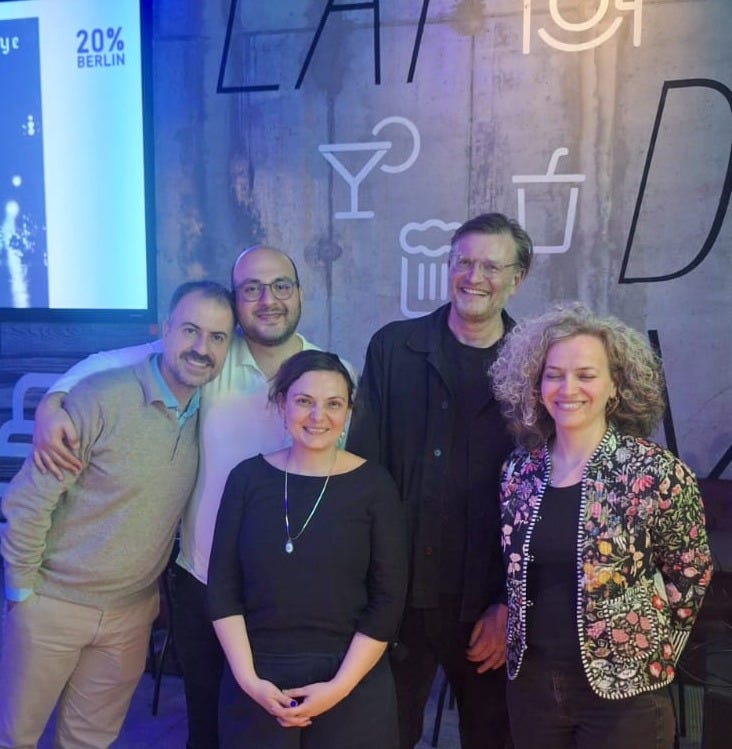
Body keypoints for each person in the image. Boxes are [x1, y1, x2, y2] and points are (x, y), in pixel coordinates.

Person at [29, 245, 352, 749]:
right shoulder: (211, 356)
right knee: (205, 722)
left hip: (289, 589)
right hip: (202, 579)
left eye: (280, 286)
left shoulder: (330, 374)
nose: (268, 300)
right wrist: (52, 403)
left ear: (300, 292)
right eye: (252, 289)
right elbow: (107, 364)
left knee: (276, 727)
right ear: (236, 300)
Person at [0, 281, 235, 749]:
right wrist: (22, 592)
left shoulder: (212, 415)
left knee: (89, 741)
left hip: (131, 615)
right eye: (190, 330)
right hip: (52, 602)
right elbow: (29, 501)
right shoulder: (102, 396)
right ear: (164, 330)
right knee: (15, 737)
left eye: (216, 337)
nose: (201, 348)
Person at [489, 302, 713, 749]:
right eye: (554, 374)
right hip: (532, 687)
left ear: (615, 386)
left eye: (586, 375)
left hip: (626, 697)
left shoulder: (655, 472)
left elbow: (691, 572)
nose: (567, 388)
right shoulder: (519, 471)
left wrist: (650, 650)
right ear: (537, 385)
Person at [347, 212, 533, 749]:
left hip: (486, 604)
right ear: (449, 265)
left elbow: (542, 500)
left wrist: (508, 606)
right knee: (383, 736)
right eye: (463, 262)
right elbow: (363, 473)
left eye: (491, 267)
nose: (474, 277)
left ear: (516, 278)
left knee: (492, 737)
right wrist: (369, 589)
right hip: (399, 597)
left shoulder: (535, 364)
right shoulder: (393, 348)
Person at [207, 349, 407, 748]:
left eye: (333, 404)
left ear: (348, 410)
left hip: (351, 675)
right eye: (304, 401)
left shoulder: (375, 486)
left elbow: (388, 599)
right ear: (282, 404)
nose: (319, 416)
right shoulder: (246, 479)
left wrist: (339, 687)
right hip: (258, 675)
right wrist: (249, 681)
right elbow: (223, 588)